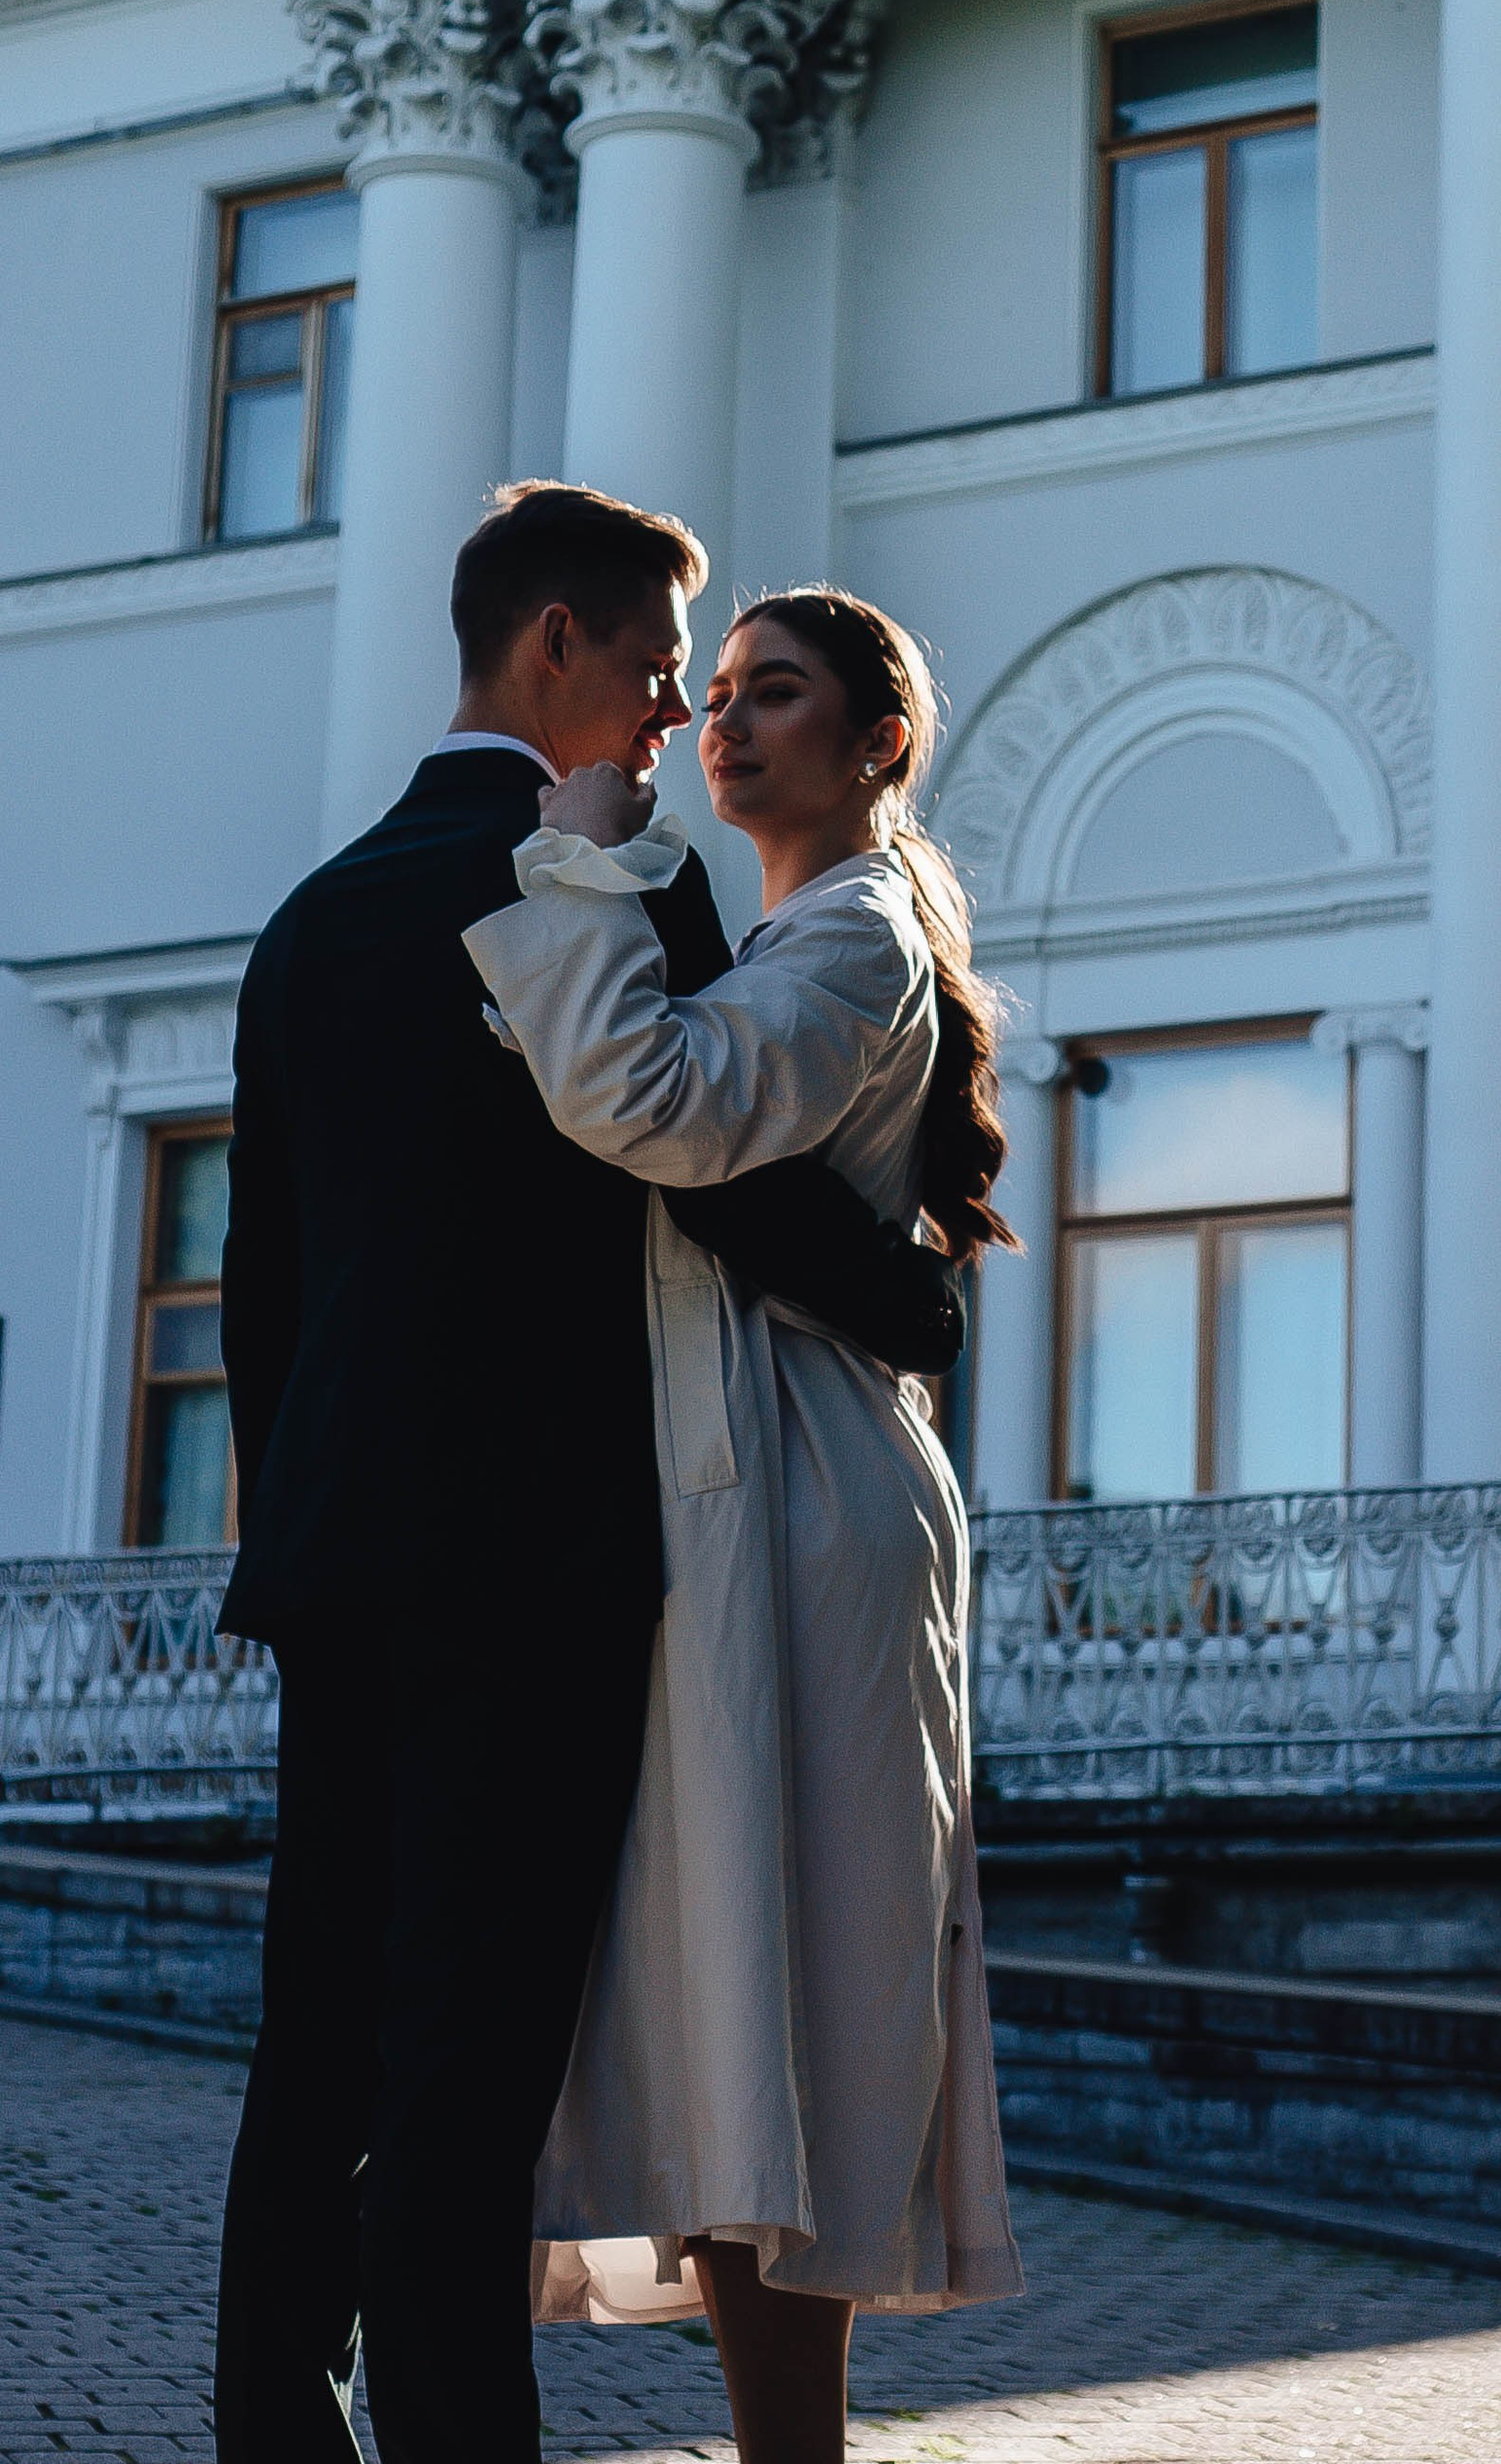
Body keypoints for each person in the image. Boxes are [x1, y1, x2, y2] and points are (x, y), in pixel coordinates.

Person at [215, 487, 963, 2464]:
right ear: (553, 646)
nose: (665, 723)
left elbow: (264, 1288)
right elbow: (706, 1181)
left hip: (335, 1559)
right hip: (542, 1570)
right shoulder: (602, 889)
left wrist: (282, 1530)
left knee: (314, 2043)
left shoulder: (310, 919)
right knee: (465, 2067)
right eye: (652, 671)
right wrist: (909, 1298)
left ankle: (274, 2432)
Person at [462, 585, 1023, 2464]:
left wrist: (574, 868)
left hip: (798, 1495)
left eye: (776, 693)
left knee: (784, 1982)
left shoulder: (857, 921)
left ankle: (802, 2450)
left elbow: (661, 1106)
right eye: (717, 692)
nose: (725, 720)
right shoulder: (802, 923)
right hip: (747, 1480)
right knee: (736, 1988)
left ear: (881, 742)